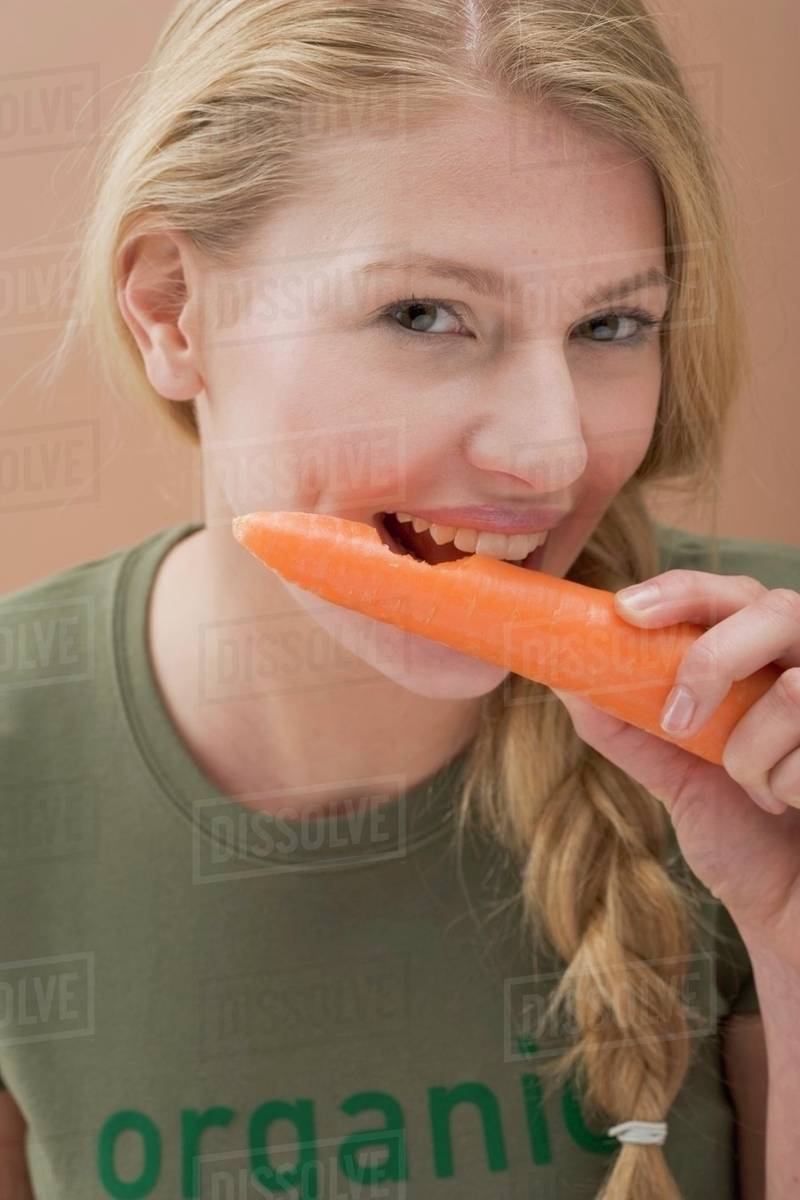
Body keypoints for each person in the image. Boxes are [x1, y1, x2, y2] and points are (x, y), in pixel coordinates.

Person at [2, 0, 799, 1196]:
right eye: (423, 314)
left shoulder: (767, 711)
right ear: (172, 308)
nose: (551, 452)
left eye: (610, 324)